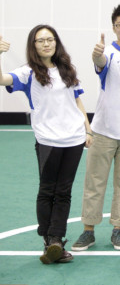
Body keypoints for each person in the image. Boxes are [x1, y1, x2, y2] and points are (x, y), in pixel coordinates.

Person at [0, 26, 92, 264]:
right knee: (47, 190)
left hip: (74, 139)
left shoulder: (67, 69)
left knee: (64, 191)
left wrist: (87, 128)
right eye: (41, 41)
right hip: (48, 140)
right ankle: (48, 240)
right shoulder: (27, 72)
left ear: (56, 43)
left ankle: (56, 241)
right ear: (33, 45)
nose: (46, 44)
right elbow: (2, 80)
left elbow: (77, 99)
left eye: (50, 39)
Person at [72, 4, 120, 252]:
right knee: (95, 182)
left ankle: (118, 230)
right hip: (103, 131)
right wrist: (96, 55)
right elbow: (100, 62)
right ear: (114, 28)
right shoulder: (108, 53)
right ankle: (88, 231)